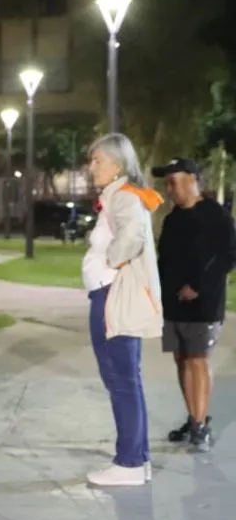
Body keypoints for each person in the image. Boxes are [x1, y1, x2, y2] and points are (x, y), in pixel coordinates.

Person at [83, 133, 164, 487]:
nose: (91, 167)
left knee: (121, 381)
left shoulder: (125, 197)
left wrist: (110, 266)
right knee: (126, 380)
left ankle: (129, 462)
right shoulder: (118, 196)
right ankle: (137, 458)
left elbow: (132, 239)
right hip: (109, 294)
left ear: (117, 164)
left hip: (112, 298)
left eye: (97, 160)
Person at [153, 157, 236, 452]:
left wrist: (198, 286)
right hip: (173, 303)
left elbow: (228, 256)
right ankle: (193, 417)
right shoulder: (173, 218)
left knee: (197, 360)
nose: (170, 188)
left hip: (204, 304)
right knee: (180, 359)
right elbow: (164, 259)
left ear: (192, 179)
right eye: (167, 183)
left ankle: (201, 426)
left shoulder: (216, 215)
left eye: (173, 182)